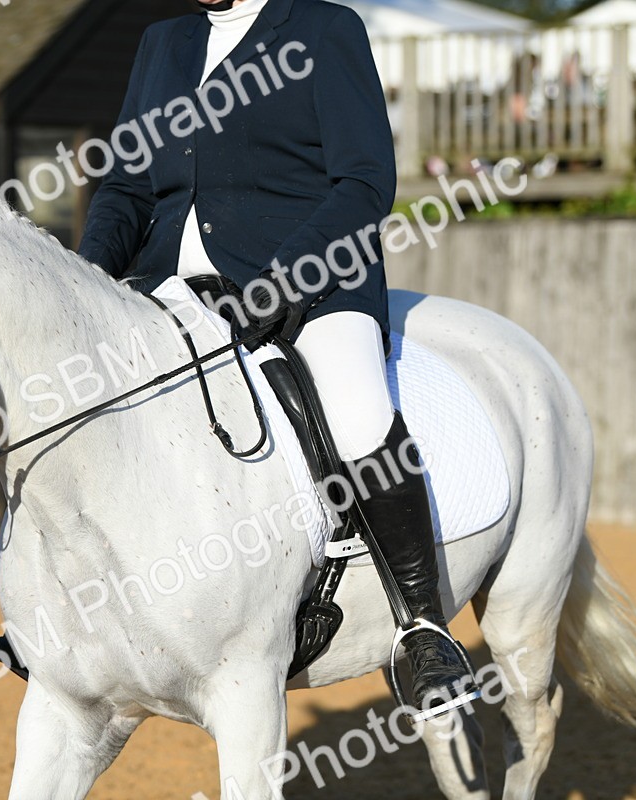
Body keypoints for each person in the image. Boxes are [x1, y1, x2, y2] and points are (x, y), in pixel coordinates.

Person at [75, 0, 477, 715]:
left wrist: (282, 281)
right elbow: (128, 187)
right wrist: (86, 281)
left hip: (309, 285)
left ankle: (423, 626)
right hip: (170, 288)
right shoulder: (161, 43)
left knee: (355, 415)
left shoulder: (324, 30)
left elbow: (364, 183)